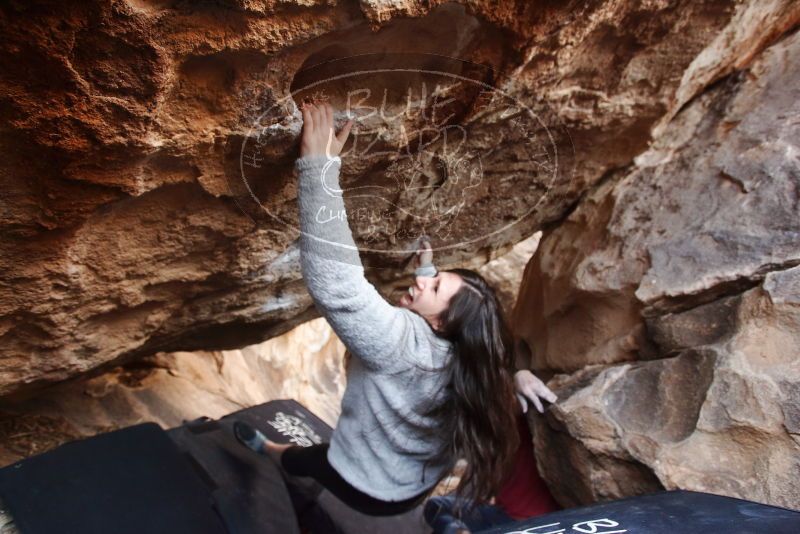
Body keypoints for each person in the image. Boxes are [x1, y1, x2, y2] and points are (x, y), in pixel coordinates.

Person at [233, 99, 557, 518]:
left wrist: (319, 169)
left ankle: (270, 450)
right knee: (324, 457)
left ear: (441, 322)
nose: (421, 280)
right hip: (407, 492)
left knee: (306, 461)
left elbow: (339, 285)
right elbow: (481, 356)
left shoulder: (401, 347)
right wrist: (518, 376)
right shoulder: (474, 361)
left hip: (356, 479)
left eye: (434, 285)